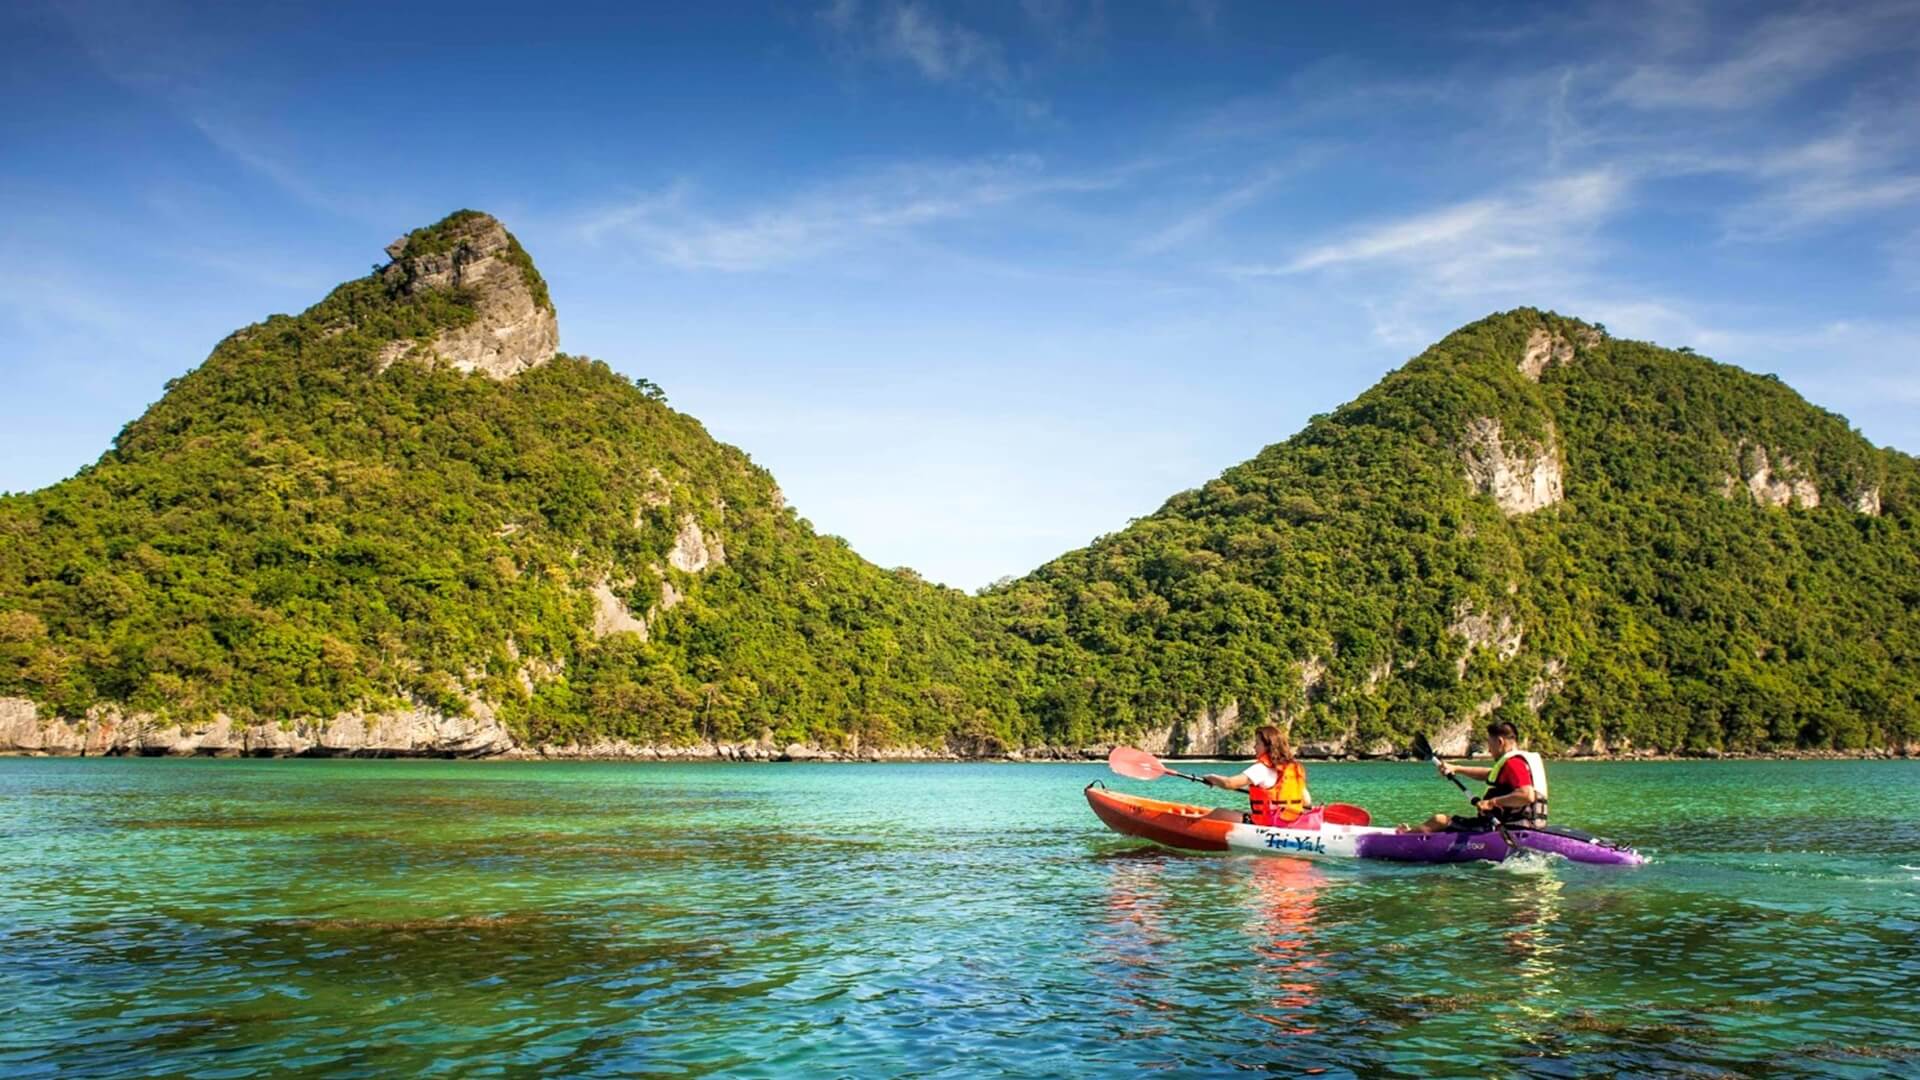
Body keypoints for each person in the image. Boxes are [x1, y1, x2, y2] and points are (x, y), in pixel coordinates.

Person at [1398, 720, 1549, 834]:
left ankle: (1403, 837)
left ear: (1500, 742)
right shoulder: (1520, 762)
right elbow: (1489, 775)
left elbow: (1526, 795)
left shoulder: (1513, 763)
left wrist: (1491, 803)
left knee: (1439, 820)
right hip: (1527, 826)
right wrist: (1456, 768)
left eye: (1490, 744)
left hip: (1503, 828)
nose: (1489, 750)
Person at [1202, 724, 1312, 826]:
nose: (1254, 747)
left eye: (1257, 743)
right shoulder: (1294, 768)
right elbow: (1307, 801)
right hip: (1291, 822)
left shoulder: (1262, 768)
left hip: (1269, 824)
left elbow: (1229, 783)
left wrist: (1212, 778)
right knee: (1238, 812)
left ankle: (1191, 827)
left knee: (1219, 813)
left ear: (1268, 746)